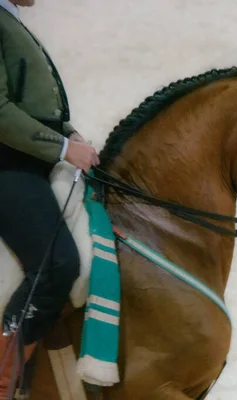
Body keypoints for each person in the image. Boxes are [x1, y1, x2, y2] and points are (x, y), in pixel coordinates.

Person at [0, 0, 99, 395]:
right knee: (57, 264)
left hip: (29, 156)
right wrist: (61, 148)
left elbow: (32, 101)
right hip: (6, 163)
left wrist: (69, 133)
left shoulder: (10, 15)